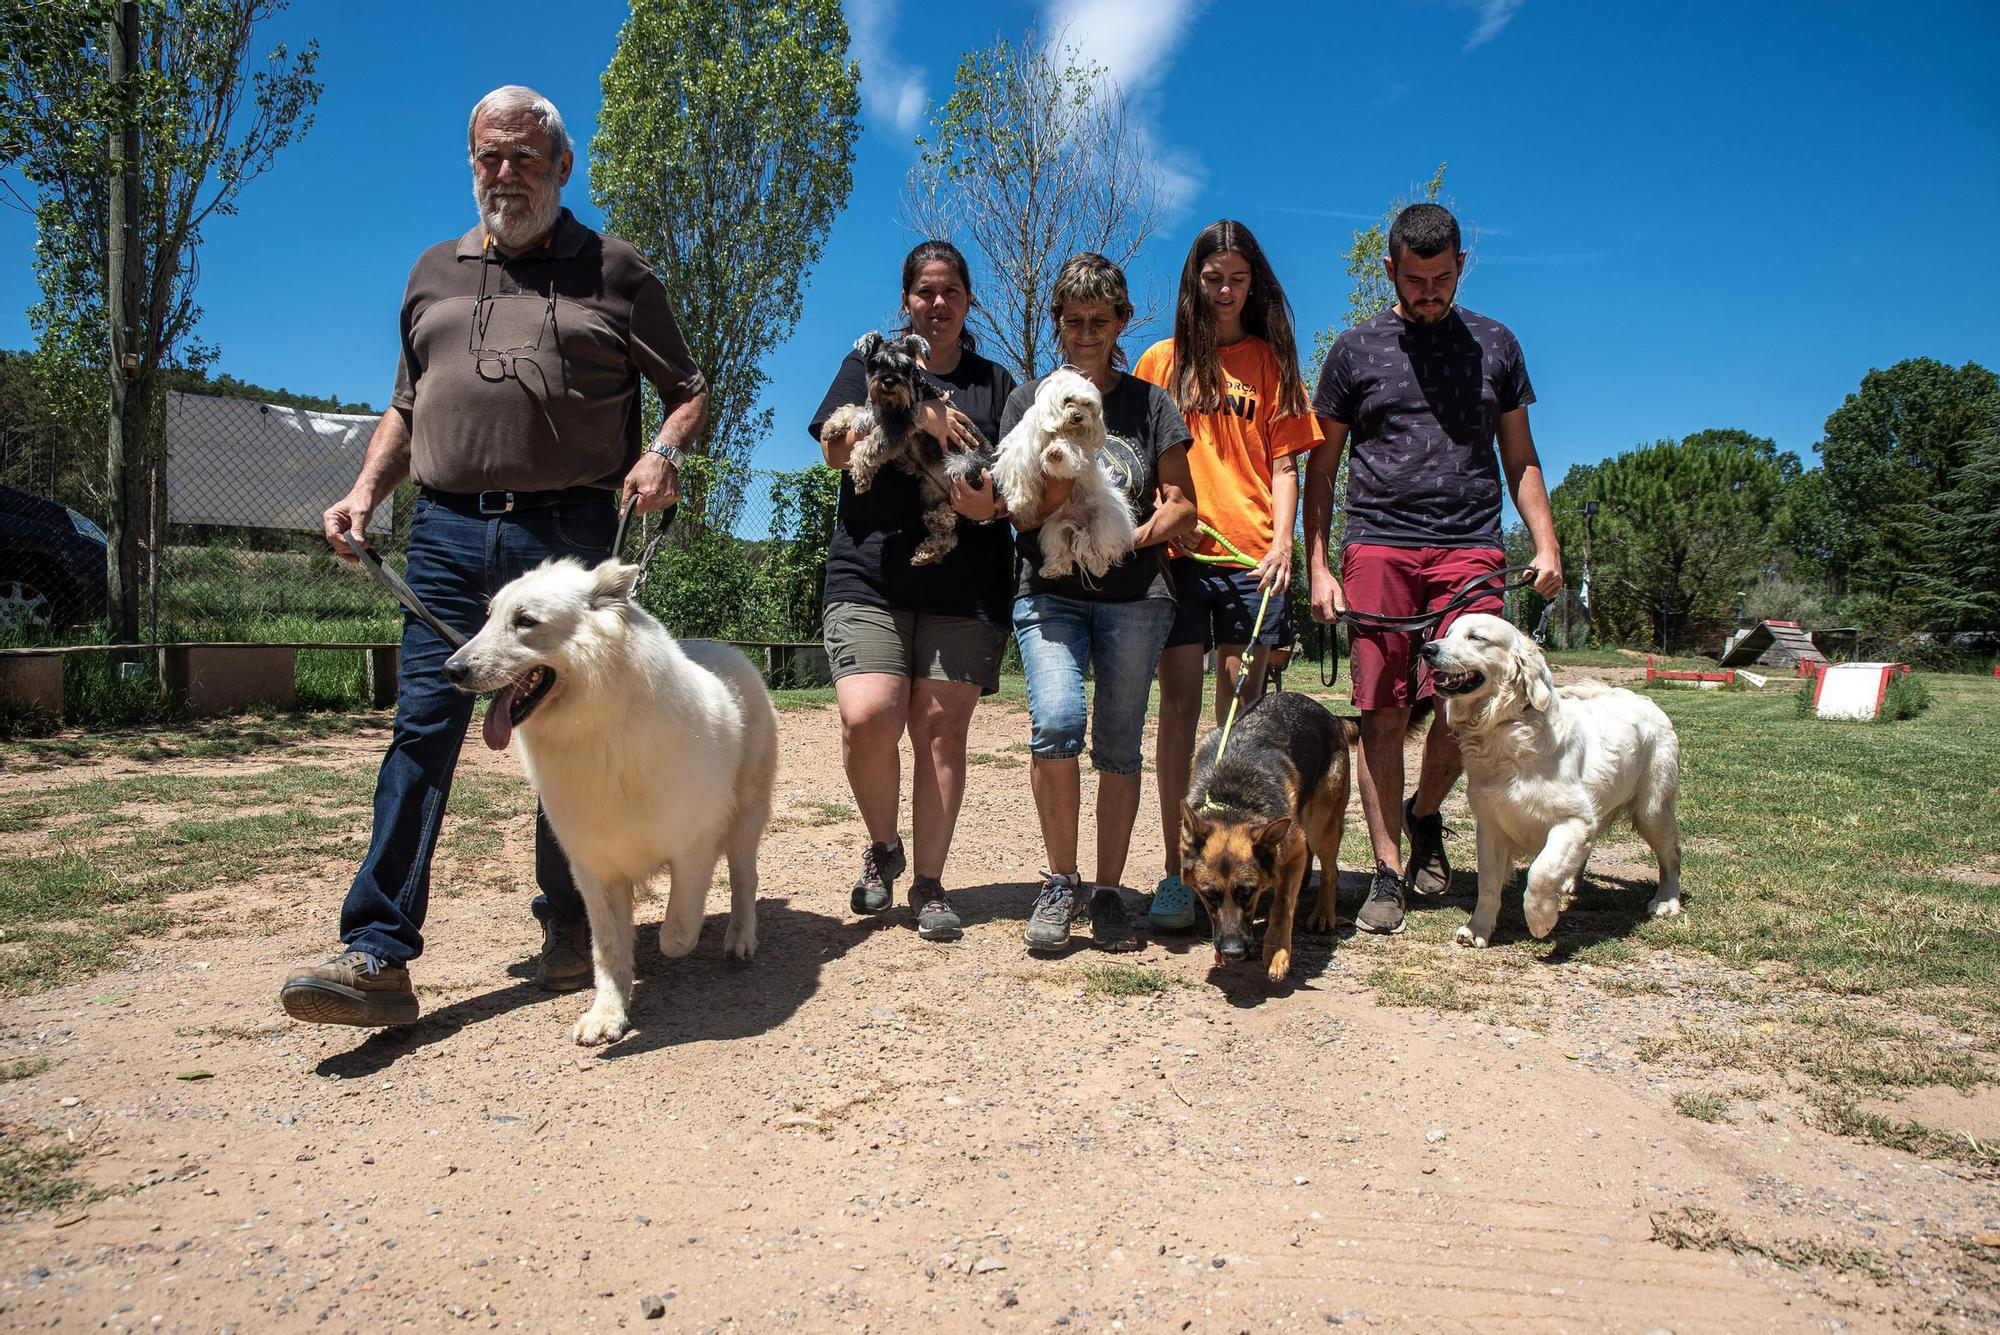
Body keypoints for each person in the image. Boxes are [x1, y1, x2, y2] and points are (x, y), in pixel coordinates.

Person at [278, 87, 708, 1026]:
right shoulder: (433, 270)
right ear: (471, 164)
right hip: (444, 532)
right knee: (422, 729)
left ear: (562, 166)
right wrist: (364, 494)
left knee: (574, 732)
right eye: (488, 156)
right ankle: (376, 951)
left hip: (565, 539)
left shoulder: (616, 269)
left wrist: (662, 452)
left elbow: (687, 387)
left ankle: (572, 927)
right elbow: (405, 405)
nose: (503, 173)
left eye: (523, 156)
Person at [1302, 203, 1564, 935]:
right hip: (1380, 544)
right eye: (1415, 279)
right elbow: (1321, 470)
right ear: (1390, 271)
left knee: (1466, 705)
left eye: (1442, 278)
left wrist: (1545, 543)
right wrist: (1319, 566)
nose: (1429, 292)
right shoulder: (1355, 351)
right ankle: (1386, 872)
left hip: (1472, 545)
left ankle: (1424, 817)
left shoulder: (1497, 345)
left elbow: (1521, 456)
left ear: (1461, 268)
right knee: (1381, 712)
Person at [809, 241, 1017, 942]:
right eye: (924, 291)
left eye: (950, 291)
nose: (936, 303)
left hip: (965, 578)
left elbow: (1009, 487)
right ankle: (883, 844)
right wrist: (919, 416)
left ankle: (928, 883)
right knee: (868, 715)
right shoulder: (868, 364)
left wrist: (983, 503)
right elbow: (834, 450)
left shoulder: (995, 383)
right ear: (906, 300)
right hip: (868, 569)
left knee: (938, 729)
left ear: (968, 301)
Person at [1006, 252, 1198, 954]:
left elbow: (1183, 505)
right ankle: (1061, 881)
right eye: (1073, 321)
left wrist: (1128, 538)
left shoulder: (1152, 404)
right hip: (1048, 592)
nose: (1086, 334)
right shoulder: (1030, 398)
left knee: (1118, 745)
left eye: (1100, 320)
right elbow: (1020, 514)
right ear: (1057, 324)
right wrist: (1064, 477)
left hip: (1135, 596)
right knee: (1056, 721)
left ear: (1122, 322)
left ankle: (1110, 893)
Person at [1134, 221, 1321, 934]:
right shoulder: (1162, 361)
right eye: (1212, 277)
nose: (1224, 289)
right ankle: (1184, 871)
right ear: (1194, 281)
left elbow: (1283, 466)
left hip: (1250, 561)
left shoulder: (1273, 362)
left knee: (1241, 717)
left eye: (1237, 277)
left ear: (1254, 282)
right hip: (1181, 559)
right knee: (1179, 714)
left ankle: (1250, 863)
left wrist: (1283, 545)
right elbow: (1140, 456)